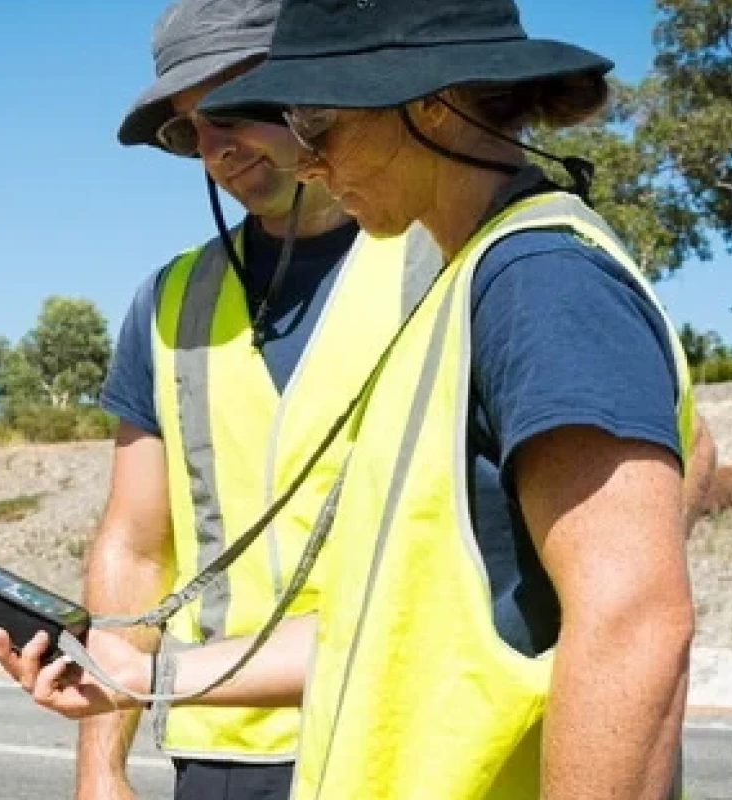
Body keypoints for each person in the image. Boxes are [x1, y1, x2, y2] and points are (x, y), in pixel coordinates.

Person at [0, 1, 721, 798]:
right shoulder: (465, 284)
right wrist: (142, 671)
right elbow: (386, 619)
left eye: (319, 122)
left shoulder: (538, 281)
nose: (306, 160)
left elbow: (630, 620)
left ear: (427, 106)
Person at [69, 1, 447, 798]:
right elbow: (136, 547)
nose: (215, 147)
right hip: (221, 753)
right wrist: (100, 769)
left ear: (319, 84)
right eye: (188, 129)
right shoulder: (170, 302)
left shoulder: (446, 258)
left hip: (403, 743)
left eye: (235, 106)